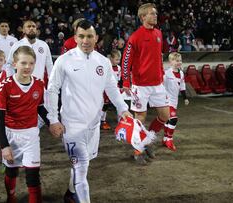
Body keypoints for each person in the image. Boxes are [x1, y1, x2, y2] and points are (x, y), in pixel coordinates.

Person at [46, 20, 131, 203]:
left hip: (94, 126)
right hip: (72, 125)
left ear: (96, 38)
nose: (86, 40)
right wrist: (53, 119)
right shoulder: (64, 60)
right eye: (82, 36)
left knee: (82, 165)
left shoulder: (103, 62)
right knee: (81, 167)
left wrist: (123, 109)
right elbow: (52, 89)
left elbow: (112, 88)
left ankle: (70, 193)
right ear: (75, 37)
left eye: (90, 36)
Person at [0, 46, 49, 203]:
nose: (27, 67)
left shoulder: (39, 84)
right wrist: (4, 146)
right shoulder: (5, 85)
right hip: (11, 134)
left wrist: (52, 122)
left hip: (31, 134)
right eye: (23, 63)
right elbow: (0, 118)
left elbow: (40, 108)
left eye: (31, 63)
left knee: (33, 176)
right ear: (14, 64)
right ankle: (10, 196)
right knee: (11, 172)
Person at [121, 3, 170, 158]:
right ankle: (138, 148)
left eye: (155, 13)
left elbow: (159, 57)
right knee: (140, 118)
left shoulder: (158, 33)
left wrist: (161, 72)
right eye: (151, 13)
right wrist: (126, 82)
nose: (155, 16)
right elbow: (126, 61)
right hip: (140, 85)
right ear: (143, 17)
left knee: (165, 116)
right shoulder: (135, 37)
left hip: (157, 84)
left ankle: (147, 139)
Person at [163, 52, 189, 151]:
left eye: (180, 61)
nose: (179, 62)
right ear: (170, 62)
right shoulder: (166, 73)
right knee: (174, 119)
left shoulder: (181, 73)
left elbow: (182, 87)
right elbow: (160, 85)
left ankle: (165, 138)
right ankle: (169, 139)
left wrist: (185, 98)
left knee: (168, 120)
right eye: (176, 61)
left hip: (174, 101)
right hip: (166, 100)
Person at [101, 49, 122, 130]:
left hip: (115, 89)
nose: (118, 61)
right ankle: (102, 121)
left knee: (118, 104)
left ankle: (121, 120)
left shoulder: (119, 68)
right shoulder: (106, 67)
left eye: (119, 59)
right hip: (106, 89)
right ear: (111, 59)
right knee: (104, 105)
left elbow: (118, 79)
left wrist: (119, 87)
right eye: (116, 59)